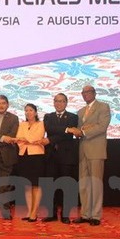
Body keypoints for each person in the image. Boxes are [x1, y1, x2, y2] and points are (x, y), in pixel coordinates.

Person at [70, 85, 111, 226]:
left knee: (96, 184)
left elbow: (102, 127)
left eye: (88, 92)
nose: (86, 94)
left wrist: (83, 131)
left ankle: (95, 215)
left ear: (94, 93)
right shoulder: (81, 111)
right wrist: (79, 131)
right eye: (83, 93)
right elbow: (79, 130)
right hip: (82, 151)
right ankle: (85, 214)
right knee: (84, 184)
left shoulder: (103, 107)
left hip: (96, 150)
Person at [43, 93, 78, 224]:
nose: (59, 103)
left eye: (62, 101)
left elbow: (67, 137)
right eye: (57, 101)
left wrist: (50, 139)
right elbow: (49, 128)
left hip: (67, 157)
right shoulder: (48, 117)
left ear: (66, 103)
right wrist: (67, 129)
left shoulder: (73, 117)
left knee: (66, 186)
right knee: (49, 187)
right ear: (53, 102)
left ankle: (65, 215)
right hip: (50, 156)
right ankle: (51, 214)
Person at [13, 103, 46, 222]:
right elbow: (18, 139)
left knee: (36, 185)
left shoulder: (41, 124)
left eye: (31, 110)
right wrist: (27, 140)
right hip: (24, 155)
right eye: (26, 110)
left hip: (37, 156)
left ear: (36, 112)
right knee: (27, 185)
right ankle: (29, 211)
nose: (28, 112)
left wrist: (27, 139)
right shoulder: (22, 124)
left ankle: (34, 212)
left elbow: (38, 138)